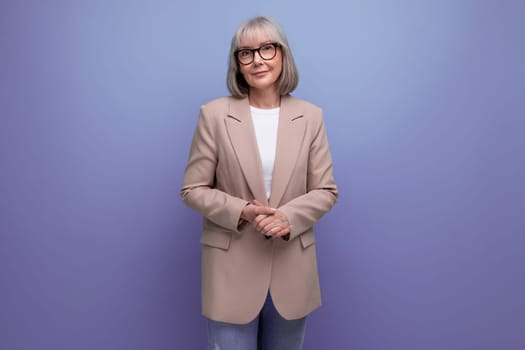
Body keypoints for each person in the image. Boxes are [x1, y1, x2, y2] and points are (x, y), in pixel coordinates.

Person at [180, 15, 338, 350]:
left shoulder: (311, 116)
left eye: (267, 48)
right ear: (237, 63)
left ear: (283, 54)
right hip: (230, 269)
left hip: (292, 269)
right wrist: (243, 210)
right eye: (246, 53)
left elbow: (326, 190)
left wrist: (288, 217)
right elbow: (192, 189)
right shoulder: (214, 115)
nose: (258, 60)